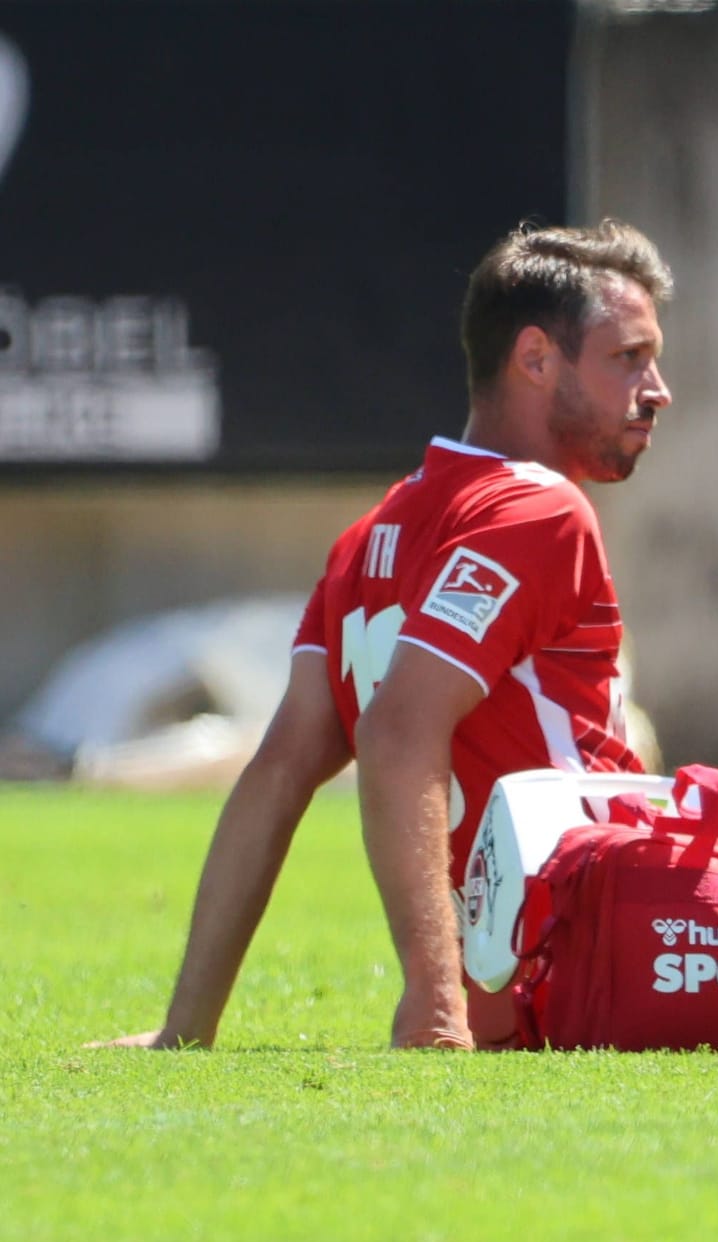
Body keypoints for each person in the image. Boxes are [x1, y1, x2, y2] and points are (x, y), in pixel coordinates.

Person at [94, 219, 675, 1051]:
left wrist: (184, 1032)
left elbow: (276, 774)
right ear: (537, 359)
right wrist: (436, 1004)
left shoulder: (370, 537)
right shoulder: (540, 509)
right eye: (629, 357)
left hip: (535, 993)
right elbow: (400, 732)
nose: (657, 387)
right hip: (595, 981)